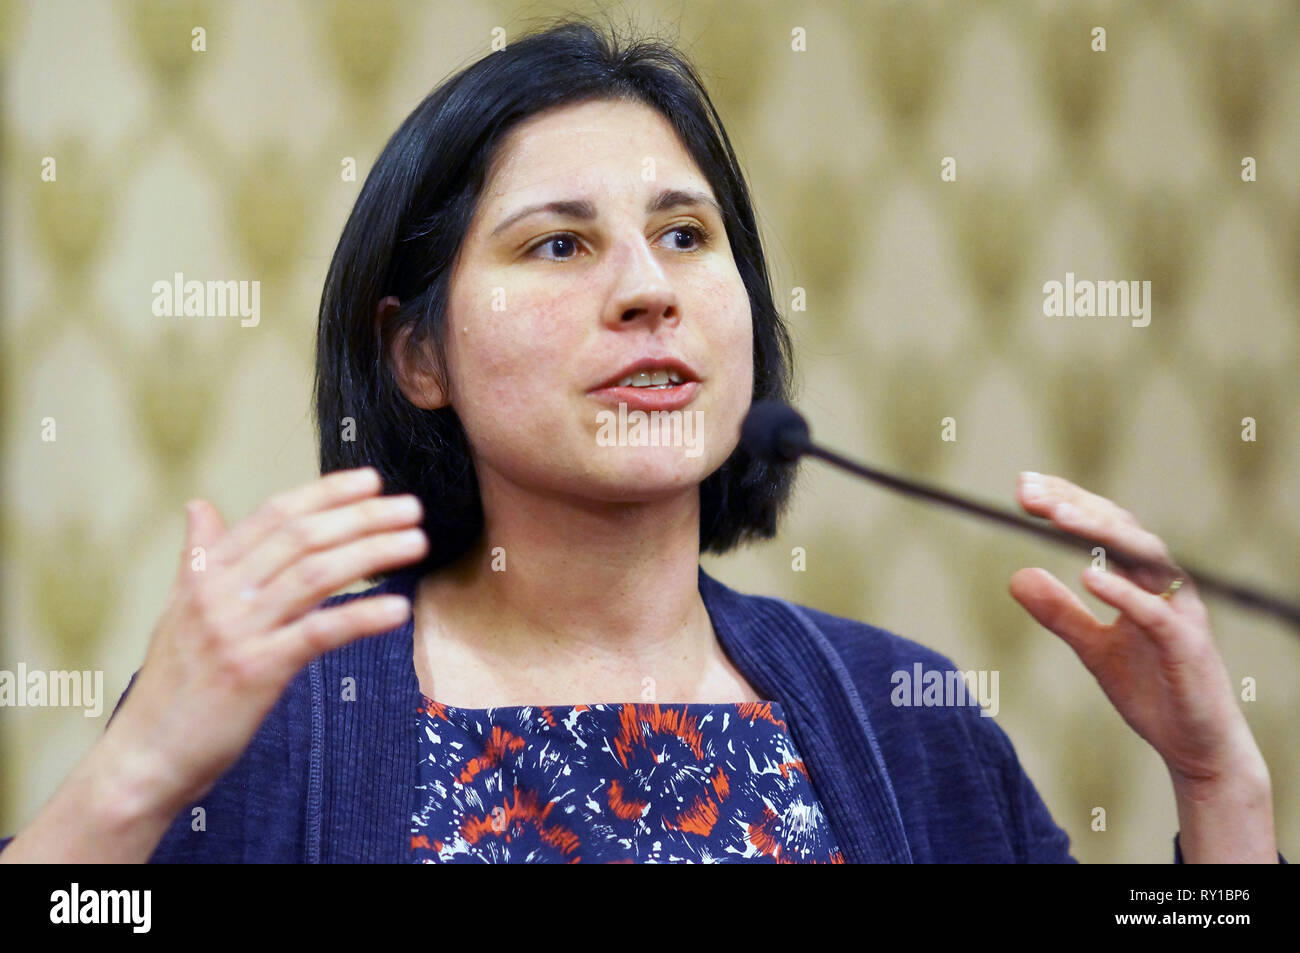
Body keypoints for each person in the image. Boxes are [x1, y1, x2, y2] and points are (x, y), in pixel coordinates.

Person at [0, 17, 1283, 864]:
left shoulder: (910, 725)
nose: (647, 287)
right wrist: (135, 779)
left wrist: (1213, 775)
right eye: (557, 244)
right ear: (418, 354)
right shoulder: (279, 722)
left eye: (685, 234)